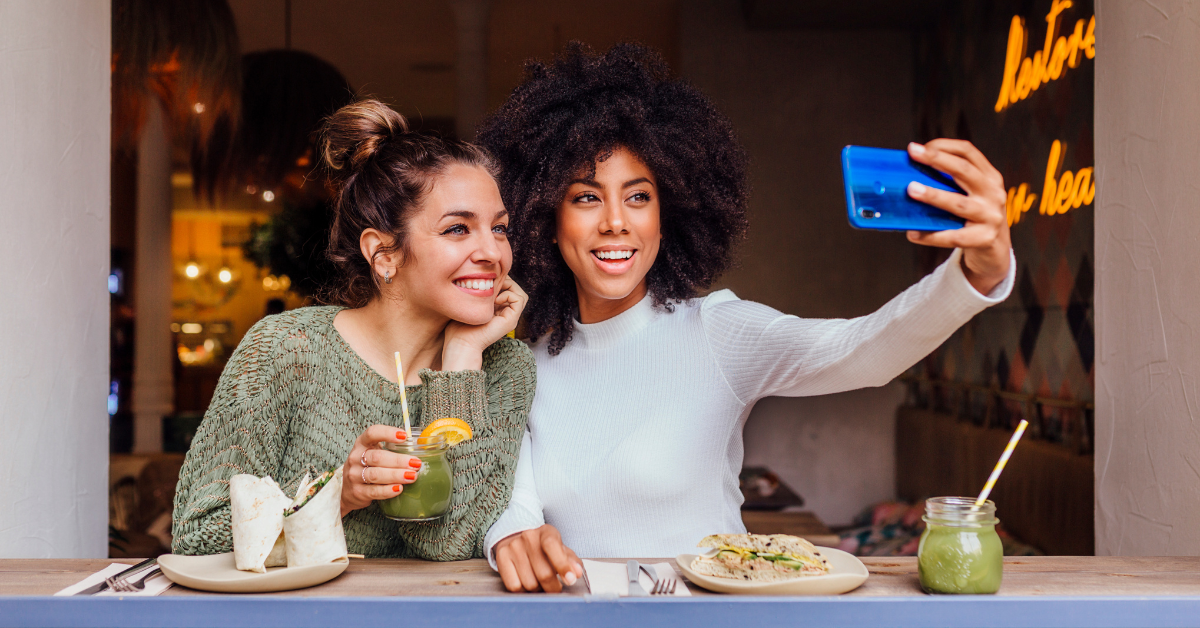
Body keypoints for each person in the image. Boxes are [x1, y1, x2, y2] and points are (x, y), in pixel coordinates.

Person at [475, 43, 1016, 592]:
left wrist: (978, 274)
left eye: (638, 196)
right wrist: (511, 536)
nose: (616, 221)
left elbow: (864, 351)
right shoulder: (526, 365)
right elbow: (511, 503)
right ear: (546, 218)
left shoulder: (716, 331)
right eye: (586, 198)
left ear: (669, 215)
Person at [172, 100, 534, 560]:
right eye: (458, 229)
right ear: (384, 254)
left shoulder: (503, 366)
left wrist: (462, 359)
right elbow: (196, 534)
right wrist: (335, 495)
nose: (493, 252)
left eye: (499, 229)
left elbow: (448, 543)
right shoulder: (286, 350)